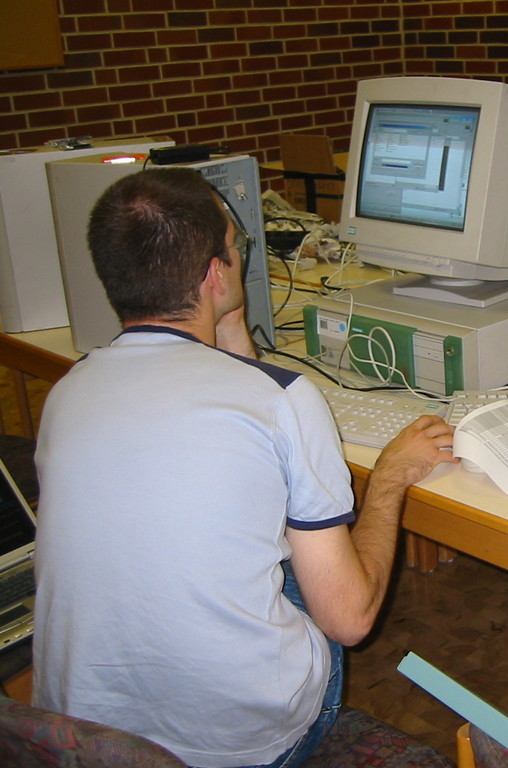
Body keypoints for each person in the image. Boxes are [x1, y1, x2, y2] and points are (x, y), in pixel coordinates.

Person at [31, 167, 459, 767]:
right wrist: (388, 480)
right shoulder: (283, 400)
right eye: (237, 247)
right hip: (241, 749)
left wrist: (227, 322)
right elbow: (351, 620)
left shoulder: (69, 391)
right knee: (322, 570)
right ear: (215, 274)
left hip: (83, 739)